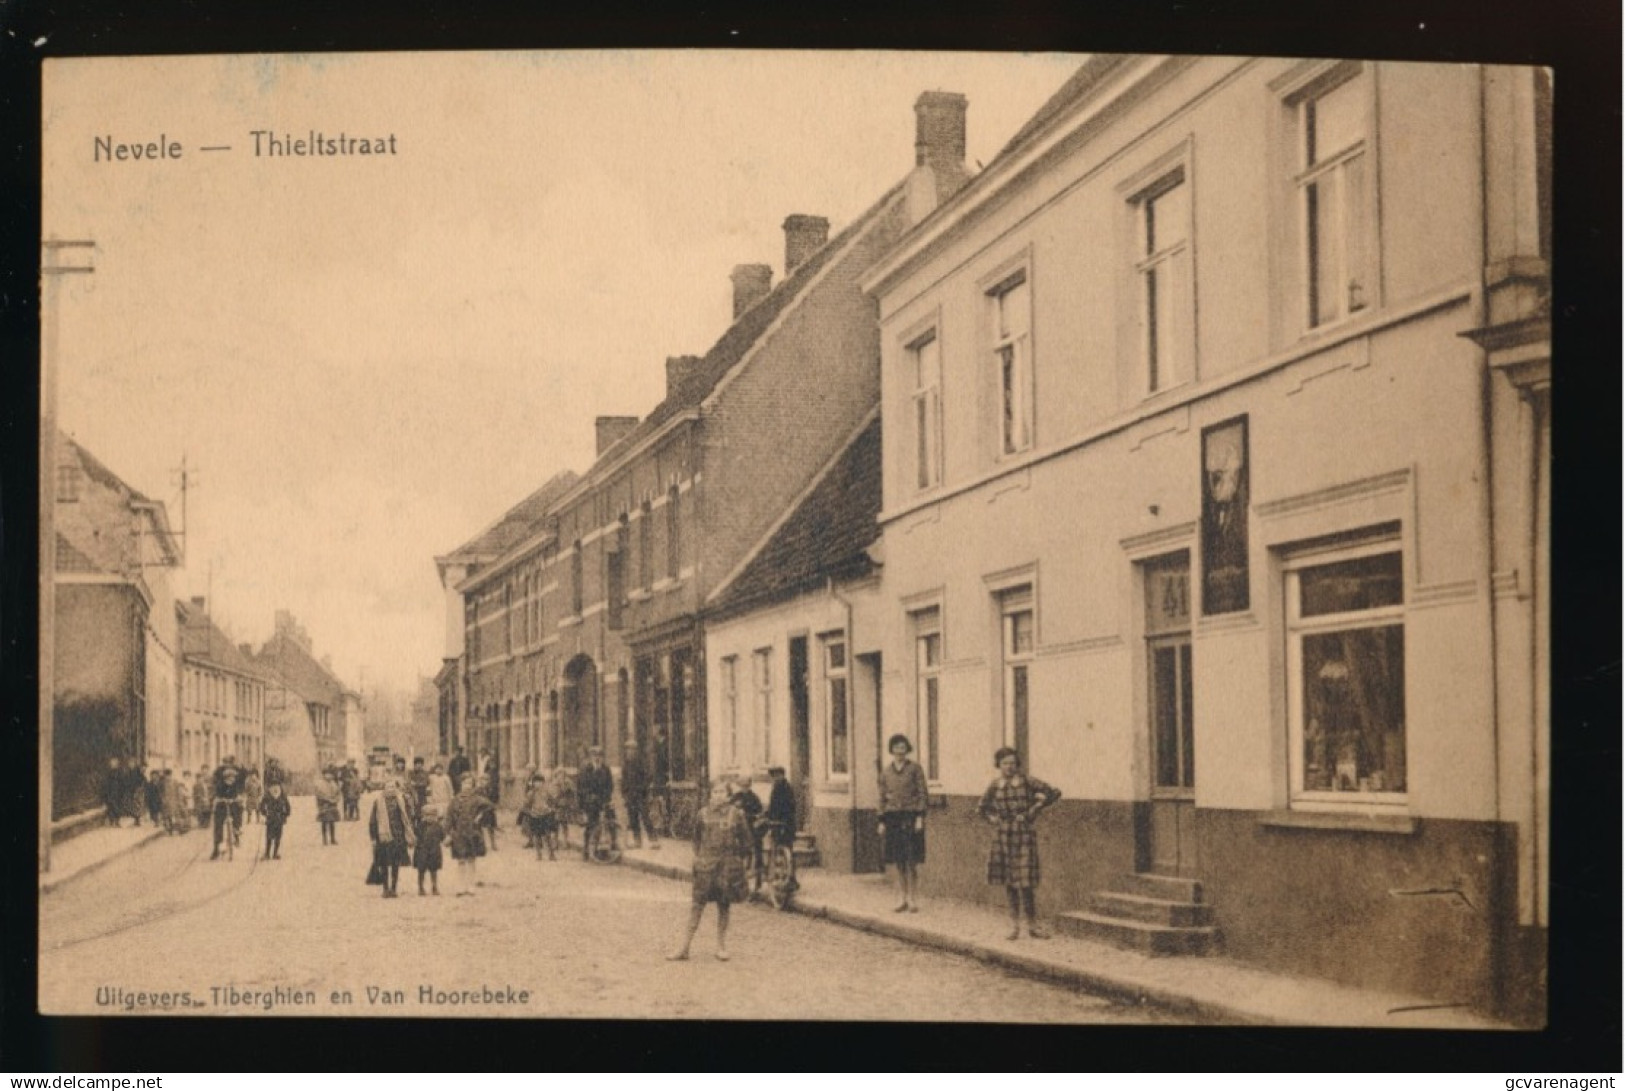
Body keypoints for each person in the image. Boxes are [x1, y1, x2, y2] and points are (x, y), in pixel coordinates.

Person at [978, 747, 1062, 940]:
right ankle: (1014, 926)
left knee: (1026, 883)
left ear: (1017, 765)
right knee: (1010, 882)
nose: (1009, 767)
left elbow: (1053, 793)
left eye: (1012, 763)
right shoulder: (995, 785)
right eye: (1005, 763)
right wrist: (993, 819)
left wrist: (1034, 810)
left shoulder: (1027, 781)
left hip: (1023, 834)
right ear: (998, 765)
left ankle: (1033, 926)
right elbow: (982, 808)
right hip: (1004, 836)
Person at [668, 779, 753, 962]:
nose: (718, 796)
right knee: (697, 906)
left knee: (724, 906)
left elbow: (746, 842)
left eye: (722, 792)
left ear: (728, 795)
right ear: (710, 794)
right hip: (705, 868)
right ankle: (684, 947)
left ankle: (721, 947)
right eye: (715, 792)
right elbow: (696, 840)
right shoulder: (703, 814)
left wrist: (736, 861)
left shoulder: (736, 815)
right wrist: (701, 859)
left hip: (726, 869)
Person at [878, 733, 929, 913]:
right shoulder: (886, 772)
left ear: (907, 750)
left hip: (910, 817)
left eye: (902, 748)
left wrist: (920, 817)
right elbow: (882, 797)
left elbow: (922, 793)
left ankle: (913, 898)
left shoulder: (915, 769)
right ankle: (902, 897)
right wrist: (882, 820)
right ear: (891, 750)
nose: (899, 751)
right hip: (893, 818)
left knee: (911, 860)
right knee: (899, 860)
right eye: (896, 748)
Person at [368, 779, 417, 899]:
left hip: (398, 836)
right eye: (388, 787)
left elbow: (409, 815)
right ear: (384, 789)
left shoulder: (401, 800)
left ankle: (394, 889)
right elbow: (373, 821)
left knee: (396, 863)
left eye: (392, 787)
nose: (390, 789)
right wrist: (374, 837)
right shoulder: (378, 802)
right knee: (384, 863)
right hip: (383, 837)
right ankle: (385, 889)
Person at [445, 777, 493, 896]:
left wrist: (480, 816)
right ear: (461, 785)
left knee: (471, 859)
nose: (467, 786)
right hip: (458, 834)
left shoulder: (477, 799)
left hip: (472, 833)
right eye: (465, 783)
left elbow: (490, 806)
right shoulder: (454, 800)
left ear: (473, 786)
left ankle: (471, 887)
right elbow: (449, 817)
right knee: (460, 860)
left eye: (470, 783)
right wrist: (447, 833)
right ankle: (461, 887)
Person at [576, 746, 615, 860]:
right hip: (590, 802)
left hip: (603, 800)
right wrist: (586, 800)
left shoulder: (606, 769)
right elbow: (581, 787)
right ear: (591, 757)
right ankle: (587, 849)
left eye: (599, 756)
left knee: (609, 823)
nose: (597, 758)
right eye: (595, 756)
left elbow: (610, 785)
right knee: (591, 825)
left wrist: (607, 797)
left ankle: (607, 848)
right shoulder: (585, 769)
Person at [620, 740, 659, 850]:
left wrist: (643, 788)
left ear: (635, 751)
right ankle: (637, 841)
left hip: (641, 795)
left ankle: (653, 840)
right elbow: (623, 781)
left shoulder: (641, 762)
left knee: (646, 817)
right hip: (630, 796)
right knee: (633, 819)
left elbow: (648, 776)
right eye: (628, 749)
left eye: (632, 749)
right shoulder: (626, 764)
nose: (629, 752)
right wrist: (624, 794)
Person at [210, 756, 246, 859]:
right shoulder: (219, 771)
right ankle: (216, 848)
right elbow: (214, 783)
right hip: (222, 800)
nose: (228, 764)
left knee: (239, 810)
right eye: (226, 762)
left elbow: (242, 780)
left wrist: (240, 795)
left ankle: (237, 831)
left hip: (234, 799)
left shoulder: (238, 771)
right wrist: (214, 797)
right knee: (218, 823)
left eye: (230, 762)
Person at [521, 770, 556, 860]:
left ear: (543, 783)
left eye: (540, 782)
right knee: (537, 835)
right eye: (536, 782)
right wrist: (530, 812)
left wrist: (551, 809)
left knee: (548, 835)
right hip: (535, 816)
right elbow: (525, 805)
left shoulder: (547, 792)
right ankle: (539, 854)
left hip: (546, 815)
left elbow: (553, 801)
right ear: (533, 783)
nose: (538, 784)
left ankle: (551, 854)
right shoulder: (531, 793)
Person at [414, 802, 446, 895]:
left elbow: (442, 837)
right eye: (427, 815)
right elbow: (415, 837)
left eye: (432, 816)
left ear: (436, 816)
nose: (430, 818)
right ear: (423, 816)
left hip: (434, 851)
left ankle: (434, 886)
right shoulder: (419, 826)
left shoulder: (438, 826)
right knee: (421, 870)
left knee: (433, 870)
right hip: (421, 851)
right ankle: (421, 887)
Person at [764, 766, 796, 849]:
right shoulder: (775, 788)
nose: (775, 778)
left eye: (778, 776)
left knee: (786, 845)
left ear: (782, 775)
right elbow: (772, 806)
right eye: (774, 776)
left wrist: (778, 818)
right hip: (776, 822)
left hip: (785, 822)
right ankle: (774, 859)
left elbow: (789, 806)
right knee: (775, 843)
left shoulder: (786, 788)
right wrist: (767, 814)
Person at [260, 781, 291, 860]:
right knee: (269, 837)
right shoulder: (267, 796)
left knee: (278, 837)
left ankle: (275, 853)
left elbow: (288, 806)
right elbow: (262, 805)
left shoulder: (282, 796)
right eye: (273, 786)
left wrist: (285, 815)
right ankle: (267, 853)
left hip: (280, 819)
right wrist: (264, 813)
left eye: (277, 786)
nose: (275, 788)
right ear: (270, 788)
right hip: (270, 819)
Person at [315, 768, 342, 846]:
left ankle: (332, 838)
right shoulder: (320, 784)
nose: (329, 776)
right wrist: (327, 799)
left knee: (332, 822)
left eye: (330, 774)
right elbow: (319, 794)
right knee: (324, 822)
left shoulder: (333, 783)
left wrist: (336, 799)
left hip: (332, 804)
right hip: (324, 804)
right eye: (327, 774)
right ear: (324, 775)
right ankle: (325, 839)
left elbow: (338, 792)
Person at [165, 770, 193, 834]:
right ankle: (170, 829)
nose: (168, 777)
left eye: (169, 775)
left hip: (176, 801)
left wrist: (181, 798)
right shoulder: (164, 783)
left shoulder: (175, 782)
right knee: (169, 816)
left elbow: (180, 789)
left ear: (171, 775)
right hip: (168, 802)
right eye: (167, 776)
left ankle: (181, 829)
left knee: (178, 815)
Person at [103, 758, 125, 828]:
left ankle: (117, 821)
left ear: (118, 765)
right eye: (112, 764)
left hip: (118, 792)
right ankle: (111, 820)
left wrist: (122, 791)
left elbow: (122, 782)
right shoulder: (109, 773)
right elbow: (106, 783)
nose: (114, 765)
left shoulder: (120, 772)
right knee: (111, 807)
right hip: (111, 792)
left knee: (118, 807)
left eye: (115, 763)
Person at [193, 765, 213, 832]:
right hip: (202, 796)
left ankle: (207, 822)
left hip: (209, 795)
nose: (204, 771)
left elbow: (213, 786)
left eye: (206, 769)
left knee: (208, 810)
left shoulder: (210, 777)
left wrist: (210, 795)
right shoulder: (199, 778)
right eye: (203, 769)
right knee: (200, 810)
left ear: (208, 769)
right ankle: (201, 822)